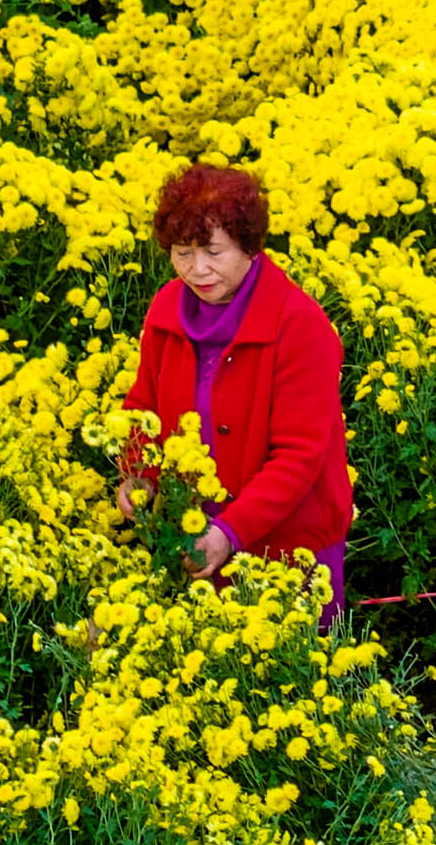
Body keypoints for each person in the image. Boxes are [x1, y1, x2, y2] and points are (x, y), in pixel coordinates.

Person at [117, 163, 353, 627]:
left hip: (290, 551)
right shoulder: (166, 308)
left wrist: (230, 531)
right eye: (183, 253)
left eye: (213, 252)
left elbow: (299, 456)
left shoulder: (300, 326)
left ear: (249, 246)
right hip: (195, 539)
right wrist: (139, 475)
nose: (197, 269)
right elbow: (143, 407)